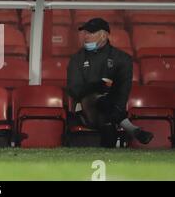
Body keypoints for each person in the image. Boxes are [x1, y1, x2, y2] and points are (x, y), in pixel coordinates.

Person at [66, 18, 154, 148]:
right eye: (85, 33)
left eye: (91, 33)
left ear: (104, 35)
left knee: (106, 115)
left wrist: (111, 102)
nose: (85, 36)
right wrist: (96, 86)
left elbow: (123, 91)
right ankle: (133, 129)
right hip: (85, 108)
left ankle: (111, 142)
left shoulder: (122, 59)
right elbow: (74, 89)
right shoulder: (77, 59)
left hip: (111, 107)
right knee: (97, 100)